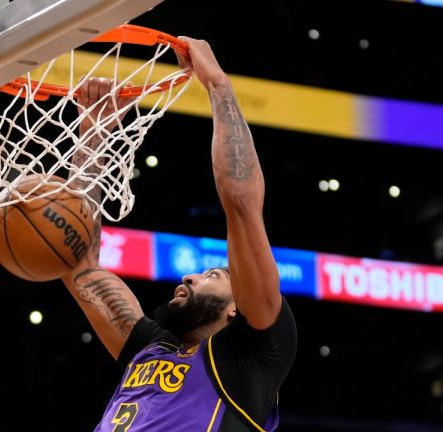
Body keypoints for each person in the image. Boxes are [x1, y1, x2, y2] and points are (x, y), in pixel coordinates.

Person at [60, 37, 298, 431]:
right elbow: (75, 259)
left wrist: (219, 86)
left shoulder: (251, 356)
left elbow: (240, 203)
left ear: (236, 310)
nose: (190, 276)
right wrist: (94, 133)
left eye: (213, 277)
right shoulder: (150, 349)